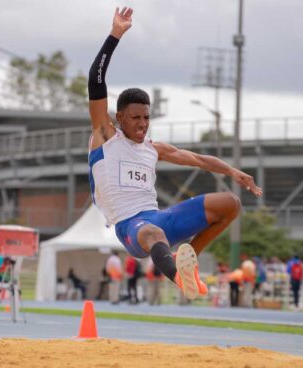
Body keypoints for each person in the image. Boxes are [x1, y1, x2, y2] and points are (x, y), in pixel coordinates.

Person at [87, 6, 262, 301]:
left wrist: (231, 171)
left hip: (159, 218)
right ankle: (180, 278)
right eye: (135, 118)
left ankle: (188, 261)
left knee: (229, 204)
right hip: (131, 227)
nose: (142, 124)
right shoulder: (105, 136)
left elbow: (197, 159)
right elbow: (95, 80)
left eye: (146, 117)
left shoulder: (153, 148)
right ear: (119, 118)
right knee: (154, 234)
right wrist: (115, 35)